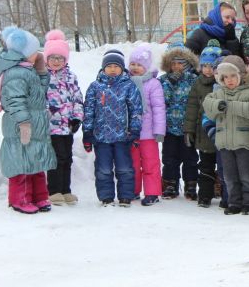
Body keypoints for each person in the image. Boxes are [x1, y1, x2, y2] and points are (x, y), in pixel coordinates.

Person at [0, 26, 56, 214]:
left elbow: (39, 93)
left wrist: (42, 71)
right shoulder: (16, 73)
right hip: (21, 125)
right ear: (23, 53)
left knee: (35, 161)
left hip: (35, 123)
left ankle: (38, 197)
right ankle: (19, 199)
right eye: (35, 52)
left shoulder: (28, 70)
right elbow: (13, 100)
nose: (38, 55)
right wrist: (23, 122)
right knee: (20, 163)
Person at [83, 50, 142, 206]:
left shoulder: (129, 86)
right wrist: (87, 132)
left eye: (116, 66)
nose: (113, 69)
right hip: (101, 137)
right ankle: (106, 197)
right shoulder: (95, 87)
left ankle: (125, 196)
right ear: (103, 68)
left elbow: (136, 110)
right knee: (103, 169)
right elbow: (88, 110)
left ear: (122, 68)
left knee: (125, 169)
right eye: (109, 66)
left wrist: (135, 131)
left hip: (123, 137)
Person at [203, 56, 249, 215]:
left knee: (247, 175)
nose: (229, 80)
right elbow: (207, 105)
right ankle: (234, 202)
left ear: (241, 75)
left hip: (245, 142)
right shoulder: (218, 93)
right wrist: (218, 105)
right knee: (229, 176)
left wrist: (230, 106)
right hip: (224, 143)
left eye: (233, 76)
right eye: (225, 77)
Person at [44, 30, 84, 206]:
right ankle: (54, 190)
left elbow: (77, 98)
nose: (56, 61)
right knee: (55, 158)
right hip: (51, 126)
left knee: (67, 157)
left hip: (67, 125)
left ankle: (66, 190)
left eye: (60, 58)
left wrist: (77, 118)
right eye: (53, 57)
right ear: (47, 58)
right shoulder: (43, 77)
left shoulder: (70, 76)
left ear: (65, 60)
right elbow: (40, 99)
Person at [183, 41, 222, 208]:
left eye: (211, 66)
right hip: (203, 133)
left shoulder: (223, 83)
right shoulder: (197, 84)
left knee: (223, 166)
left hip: (221, 133)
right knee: (205, 165)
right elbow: (192, 107)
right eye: (204, 65)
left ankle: (224, 192)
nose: (207, 69)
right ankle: (205, 195)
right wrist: (189, 130)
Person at [159, 42, 199, 200]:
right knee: (169, 158)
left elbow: (196, 101)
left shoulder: (193, 80)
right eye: (173, 63)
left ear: (187, 64)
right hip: (169, 127)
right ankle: (171, 184)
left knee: (190, 158)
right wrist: (170, 83)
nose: (176, 66)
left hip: (187, 128)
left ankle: (191, 184)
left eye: (180, 63)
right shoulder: (163, 81)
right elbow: (162, 100)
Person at [128, 44, 166, 206]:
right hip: (132, 132)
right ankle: (134, 190)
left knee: (150, 163)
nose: (135, 68)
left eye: (139, 65)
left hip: (149, 133)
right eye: (133, 64)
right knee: (133, 164)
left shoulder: (153, 84)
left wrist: (159, 130)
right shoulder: (126, 82)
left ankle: (152, 192)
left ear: (147, 67)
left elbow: (159, 108)